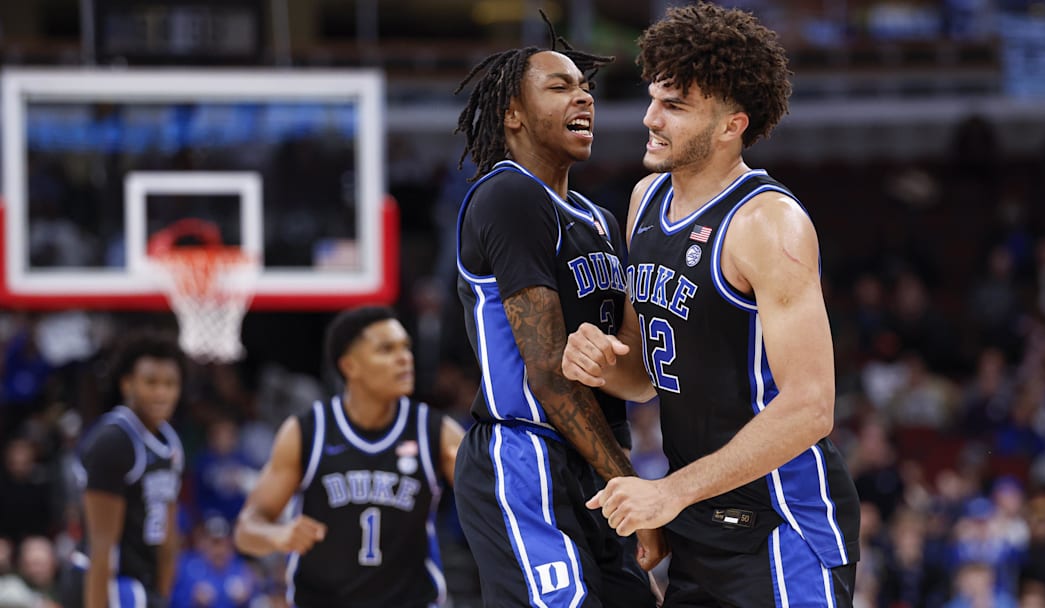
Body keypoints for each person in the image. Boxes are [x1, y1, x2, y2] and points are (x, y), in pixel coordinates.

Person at [561, 3, 861, 606]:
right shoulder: (644, 199)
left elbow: (810, 408)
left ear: (731, 125)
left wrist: (671, 491)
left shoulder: (768, 223)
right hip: (698, 521)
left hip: (781, 525)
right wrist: (600, 362)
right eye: (653, 99)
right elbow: (645, 375)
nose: (650, 118)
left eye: (674, 106)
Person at [452, 14, 664, 608]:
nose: (584, 96)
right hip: (526, 452)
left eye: (586, 87)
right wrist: (630, 482)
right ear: (512, 115)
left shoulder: (599, 219)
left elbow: (634, 372)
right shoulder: (510, 193)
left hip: (593, 458)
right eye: (560, 86)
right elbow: (547, 372)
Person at [233, 306, 464, 607]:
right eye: (386, 349)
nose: (405, 358)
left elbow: (496, 503)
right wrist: (278, 535)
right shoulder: (308, 432)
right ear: (350, 366)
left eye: (406, 347)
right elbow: (245, 531)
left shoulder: (435, 431)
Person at [59, 331, 186, 608]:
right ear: (128, 385)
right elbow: (101, 545)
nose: (161, 393)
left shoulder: (171, 442)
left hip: (140, 583)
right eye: (151, 382)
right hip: (104, 583)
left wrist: (162, 596)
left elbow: (168, 536)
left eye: (170, 384)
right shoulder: (114, 441)